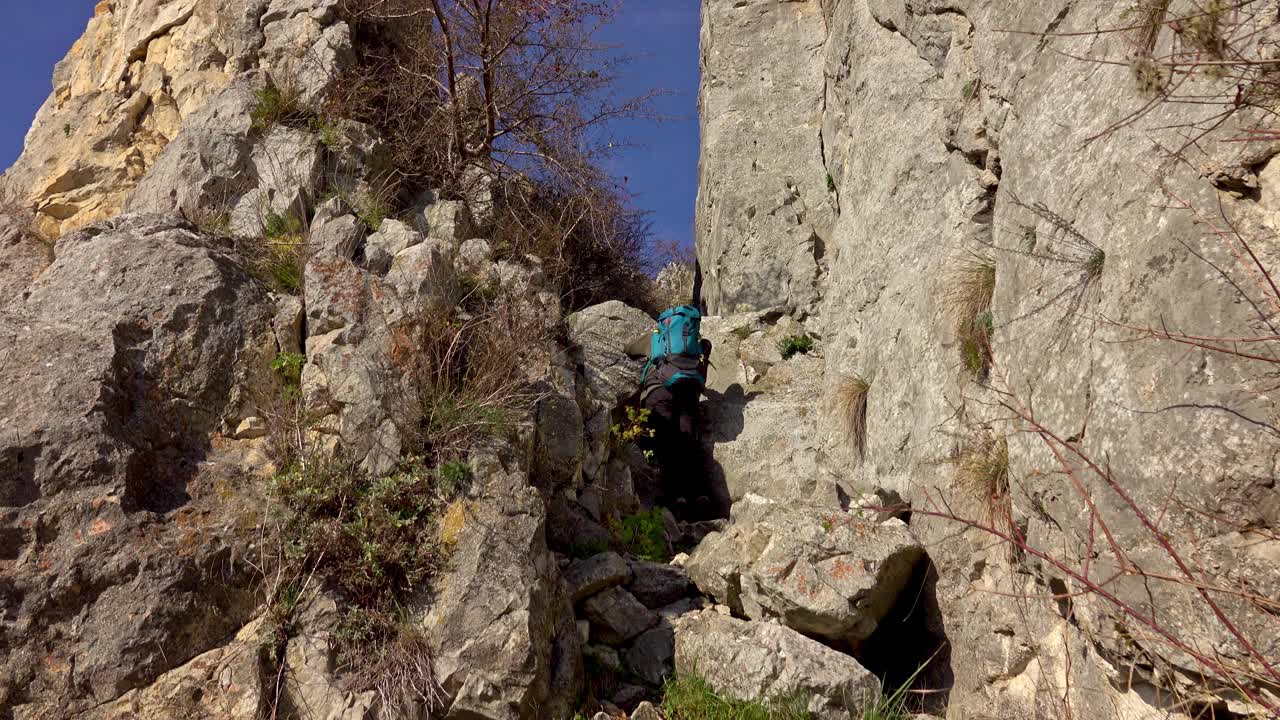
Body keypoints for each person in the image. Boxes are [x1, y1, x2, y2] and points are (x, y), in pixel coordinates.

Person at [623, 305, 715, 520]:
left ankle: (676, 500)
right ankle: (699, 496)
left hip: (659, 392)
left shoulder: (656, 338)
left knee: (666, 444)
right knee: (689, 443)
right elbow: (703, 372)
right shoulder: (699, 343)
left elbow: (628, 348)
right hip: (688, 394)